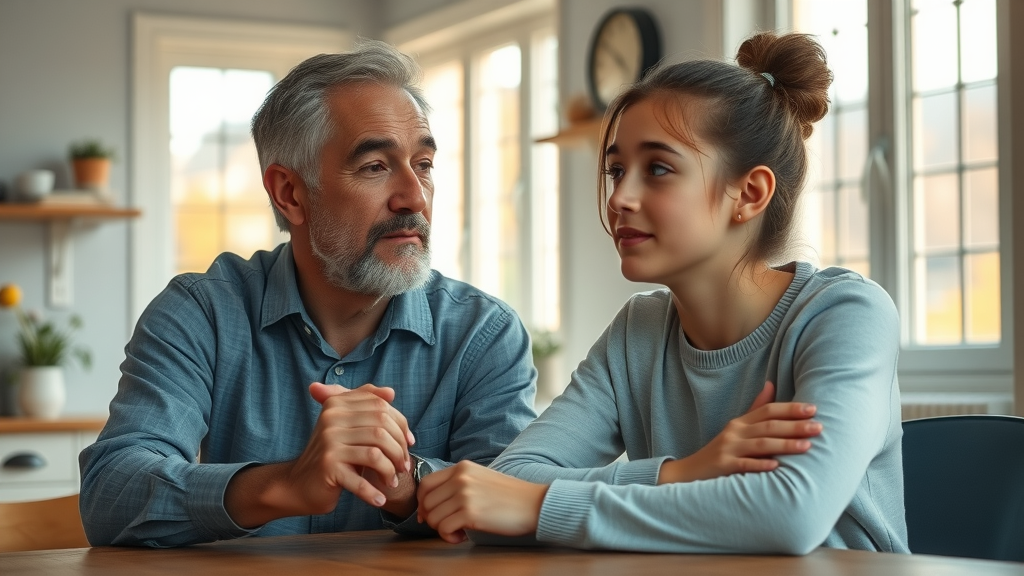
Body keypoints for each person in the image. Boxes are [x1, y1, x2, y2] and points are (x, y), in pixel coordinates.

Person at [414, 32, 908, 555]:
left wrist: (538, 507)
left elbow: (790, 515)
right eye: (616, 170)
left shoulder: (846, 313)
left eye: (658, 169)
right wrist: (681, 473)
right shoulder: (638, 332)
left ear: (751, 194)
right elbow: (508, 480)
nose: (621, 198)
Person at [79, 40, 537, 547]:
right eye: (375, 167)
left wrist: (408, 483)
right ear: (289, 193)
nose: (414, 197)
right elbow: (109, 494)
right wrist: (284, 485)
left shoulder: (484, 333)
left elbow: (522, 506)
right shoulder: (201, 313)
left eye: (424, 164)